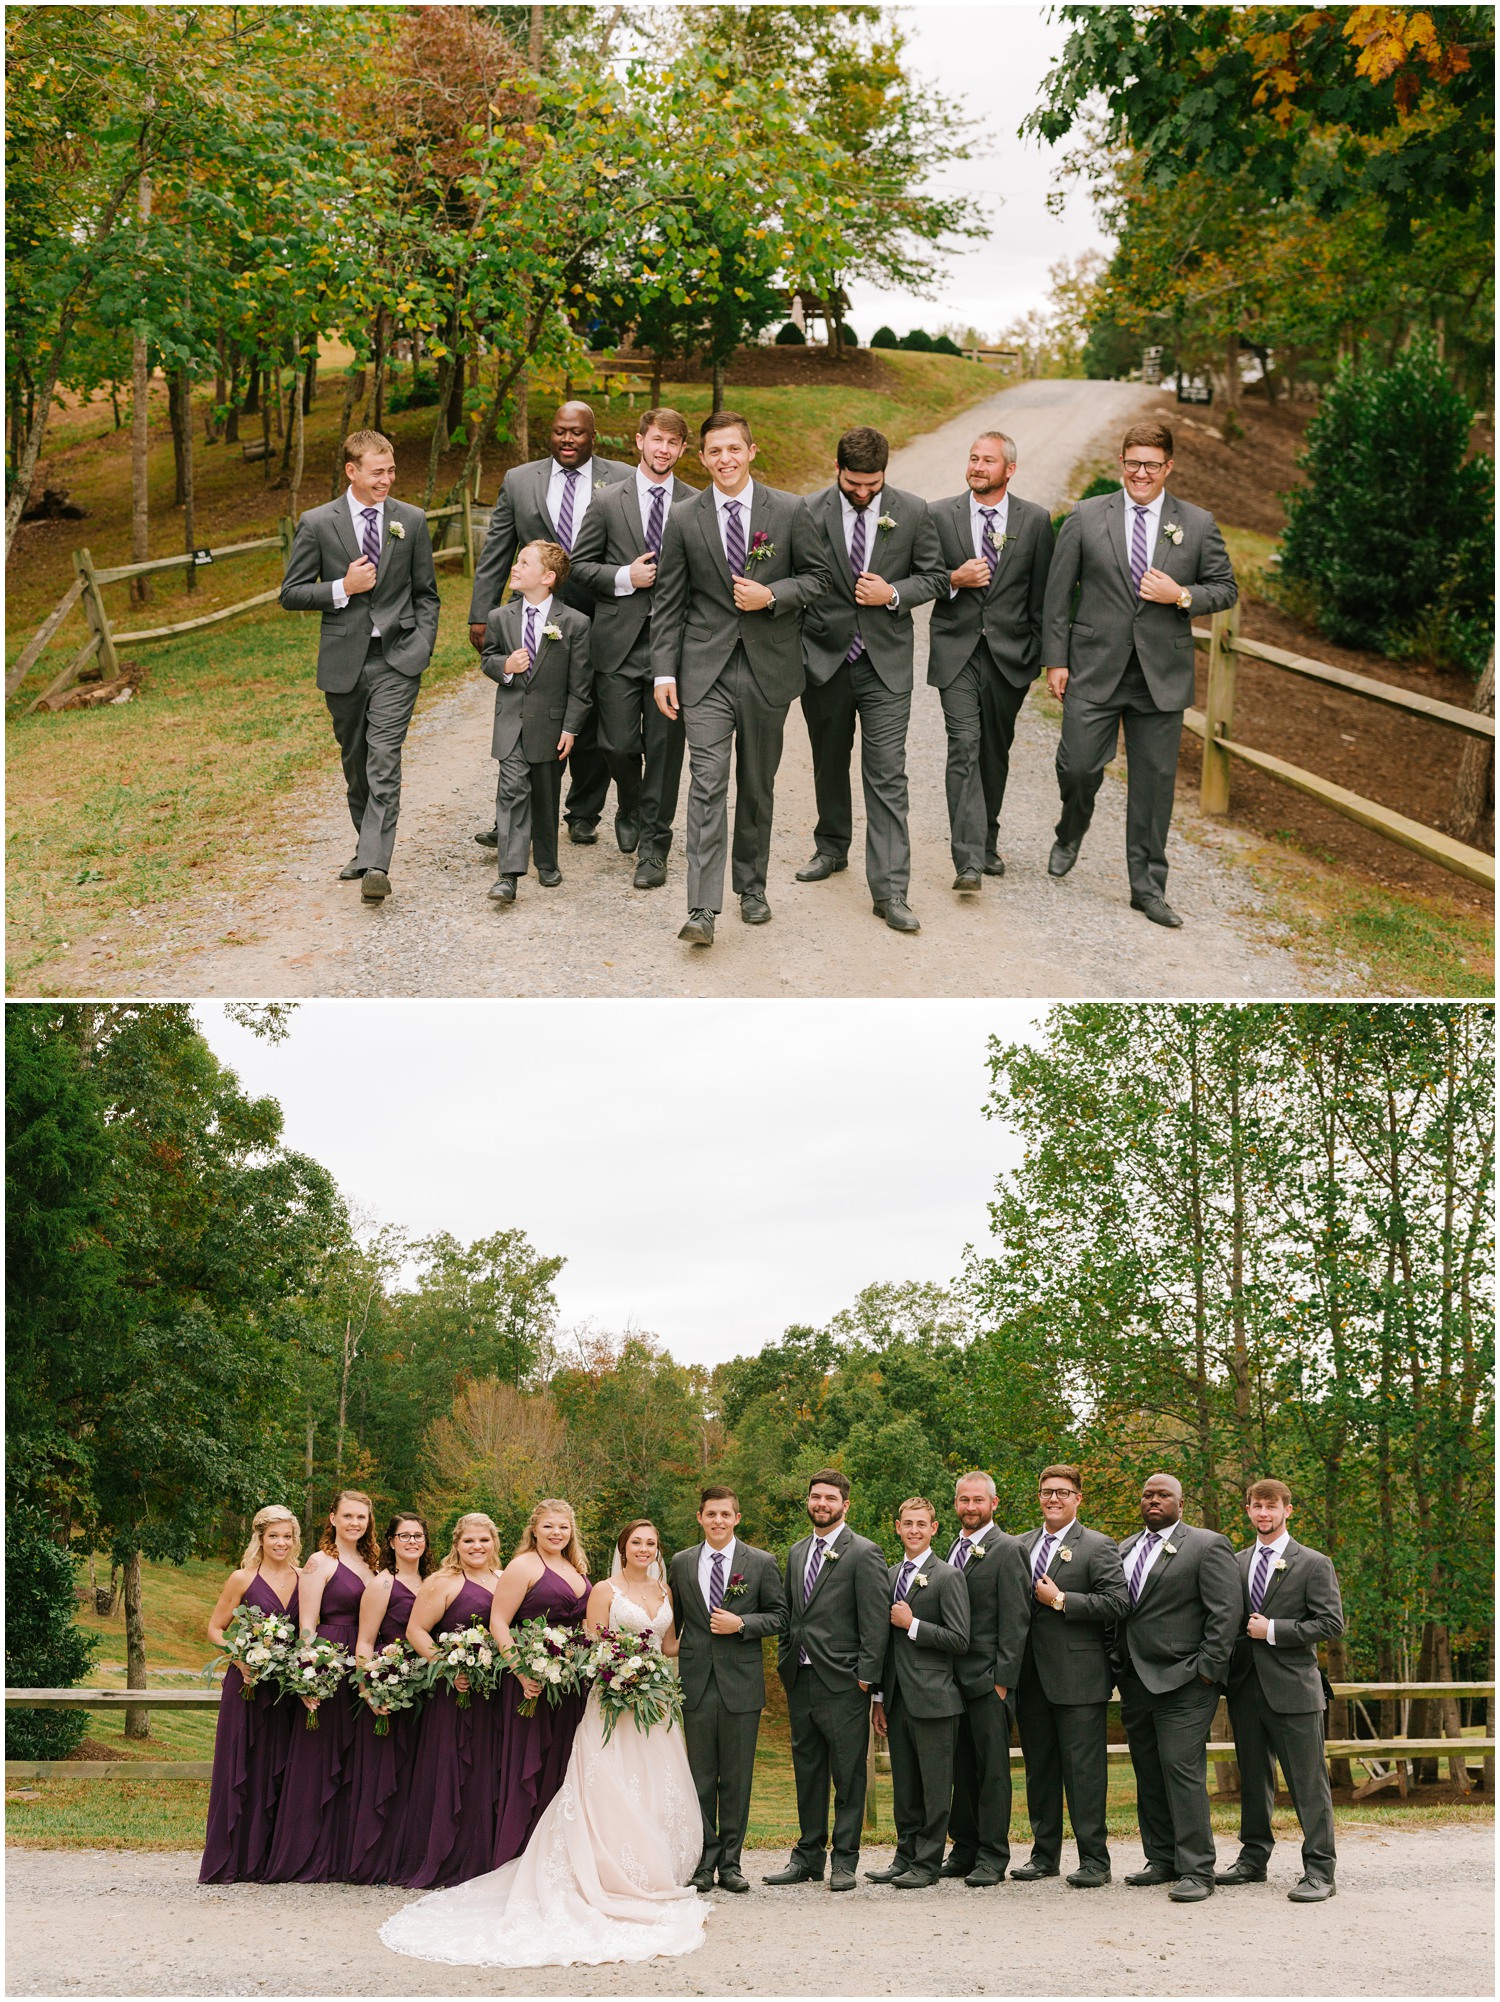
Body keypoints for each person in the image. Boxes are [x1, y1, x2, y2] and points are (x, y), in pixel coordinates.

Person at [381, 1519, 708, 1969]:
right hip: (612, 1691)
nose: (645, 1549)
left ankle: (653, 1865)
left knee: (654, 1779)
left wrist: (709, 1630)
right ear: (622, 1546)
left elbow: (669, 1645)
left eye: (652, 1543)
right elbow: (594, 1644)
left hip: (655, 1702)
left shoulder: (664, 1592)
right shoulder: (600, 1588)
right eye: (637, 1542)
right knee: (607, 1780)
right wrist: (616, 1671)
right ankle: (606, 1867)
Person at [1041, 421, 1237, 927]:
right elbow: (1058, 595)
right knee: (1079, 766)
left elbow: (1225, 588)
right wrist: (1056, 660)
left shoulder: (1196, 523)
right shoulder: (1086, 516)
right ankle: (1071, 826)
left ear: (1168, 467)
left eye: (1152, 464)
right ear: (1121, 464)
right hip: (1094, 667)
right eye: (1133, 463)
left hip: (1160, 675)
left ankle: (1147, 888)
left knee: (1154, 786)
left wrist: (1183, 596)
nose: (1141, 473)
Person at [651, 409, 830, 946]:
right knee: (706, 784)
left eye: (734, 449)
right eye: (714, 451)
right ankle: (702, 909)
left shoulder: (791, 509)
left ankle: (751, 886)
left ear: (752, 451)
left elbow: (819, 579)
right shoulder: (684, 517)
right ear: (701, 458)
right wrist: (664, 671)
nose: (724, 459)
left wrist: (772, 595)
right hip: (703, 671)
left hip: (768, 668)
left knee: (756, 783)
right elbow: (669, 602)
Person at [794, 426, 949, 934]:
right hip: (825, 659)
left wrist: (894, 593)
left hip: (885, 663)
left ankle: (891, 891)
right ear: (837, 468)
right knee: (829, 761)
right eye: (853, 484)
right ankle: (831, 847)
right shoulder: (808, 512)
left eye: (872, 485)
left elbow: (935, 576)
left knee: (886, 773)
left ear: (886, 472)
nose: (863, 494)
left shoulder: (913, 511)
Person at [279, 431, 440, 902]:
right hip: (344, 661)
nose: (387, 480)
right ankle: (365, 843)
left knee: (384, 756)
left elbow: (427, 593)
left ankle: (375, 863)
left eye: (391, 471)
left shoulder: (410, 519)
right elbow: (290, 594)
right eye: (377, 472)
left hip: (397, 659)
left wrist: (422, 645)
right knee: (356, 762)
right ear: (352, 471)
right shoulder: (316, 523)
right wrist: (342, 587)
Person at [469, 402, 632, 849]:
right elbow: (498, 549)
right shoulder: (520, 480)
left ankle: (583, 812)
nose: (567, 439)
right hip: (535, 614)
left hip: (602, 614)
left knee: (591, 710)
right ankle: (517, 815)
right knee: (533, 709)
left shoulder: (622, 477)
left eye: (577, 433)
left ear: (592, 436)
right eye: (560, 431)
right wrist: (481, 612)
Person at [569, 409, 696, 887]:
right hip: (617, 643)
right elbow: (579, 567)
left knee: (664, 751)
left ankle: (654, 847)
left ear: (683, 451)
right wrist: (625, 576)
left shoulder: (696, 503)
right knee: (616, 744)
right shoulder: (606, 502)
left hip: (675, 649)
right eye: (656, 440)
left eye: (673, 443)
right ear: (640, 441)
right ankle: (628, 799)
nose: (663, 450)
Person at [927, 432, 1054, 889]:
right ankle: (968, 860)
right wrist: (953, 579)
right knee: (963, 743)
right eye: (973, 457)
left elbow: (1045, 597)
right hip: (956, 649)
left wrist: (1048, 657)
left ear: (1009, 470)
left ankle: (987, 837)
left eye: (988, 461)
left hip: (1011, 655)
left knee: (993, 750)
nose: (978, 466)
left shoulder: (1036, 520)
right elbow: (922, 578)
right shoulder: (940, 514)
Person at [1113, 1472, 1241, 1903]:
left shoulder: (1206, 1545)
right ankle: (1162, 1858)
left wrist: (1207, 1670)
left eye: (1163, 1495)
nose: (1153, 1500)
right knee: (1149, 1772)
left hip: (1186, 1680)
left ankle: (1197, 1869)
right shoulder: (1124, 1548)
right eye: (1147, 1494)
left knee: (1181, 1771)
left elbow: (1225, 1614)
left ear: (1180, 1504)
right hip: (1135, 1681)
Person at [1220, 1478, 1344, 1903]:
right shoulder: (1234, 1563)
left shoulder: (1313, 1563)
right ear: (1248, 1510)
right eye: (1256, 1506)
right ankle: (1253, 1859)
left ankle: (1320, 1872)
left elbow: (1330, 1624)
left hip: (1294, 1690)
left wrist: (1273, 1629)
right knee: (1254, 1781)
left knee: (1309, 1784)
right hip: (1245, 1690)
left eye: (1271, 1506)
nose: (1263, 1513)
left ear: (1288, 1510)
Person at [766, 1469, 889, 1891]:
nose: (821, 1504)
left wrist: (865, 1681)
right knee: (809, 1771)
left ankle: (845, 1860)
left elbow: (875, 1623)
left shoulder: (865, 1553)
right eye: (816, 1496)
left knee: (849, 1775)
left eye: (830, 1498)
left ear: (845, 1505)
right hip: (801, 1678)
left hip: (844, 1682)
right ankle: (807, 1857)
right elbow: (790, 1614)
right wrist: (786, 1662)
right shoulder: (798, 1552)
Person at [667, 1484, 787, 1893]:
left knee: (736, 1778)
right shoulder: (681, 1563)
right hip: (696, 1683)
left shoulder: (762, 1562)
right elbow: (674, 1621)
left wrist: (743, 1625)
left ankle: (732, 1864)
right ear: (699, 1518)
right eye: (710, 1514)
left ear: (737, 1518)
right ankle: (704, 1862)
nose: (717, 1520)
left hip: (741, 1683)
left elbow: (780, 1617)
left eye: (725, 1514)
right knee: (699, 1778)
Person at [1013, 1463, 1128, 1889]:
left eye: (1062, 1492)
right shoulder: (1019, 1545)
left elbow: (1117, 1604)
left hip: (1079, 1678)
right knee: (1039, 1771)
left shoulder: (1098, 1546)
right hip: (1030, 1677)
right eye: (1046, 1491)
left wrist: (1061, 1599)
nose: (1053, 1498)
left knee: (1084, 1773)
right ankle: (1044, 1856)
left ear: (1078, 1498)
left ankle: (1095, 1861)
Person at [262, 1489, 379, 1883]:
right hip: (330, 1661)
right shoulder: (319, 1561)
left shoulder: (373, 1563)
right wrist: (309, 1673)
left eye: (361, 1517)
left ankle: (348, 1856)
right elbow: (307, 1624)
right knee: (319, 1755)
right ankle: (306, 1855)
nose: (354, 1523)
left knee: (358, 1757)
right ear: (332, 1518)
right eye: (347, 1516)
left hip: (365, 1665)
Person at [394, 1513, 506, 1888]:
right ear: (456, 1545)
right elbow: (416, 1630)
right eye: (469, 1541)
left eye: (484, 1540)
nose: (477, 1547)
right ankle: (443, 1856)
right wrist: (446, 1666)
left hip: (495, 1692)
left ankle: (483, 1857)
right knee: (451, 1768)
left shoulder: (504, 1582)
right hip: (454, 1691)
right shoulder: (442, 1582)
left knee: (488, 1770)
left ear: (494, 1543)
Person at [479, 541, 592, 907]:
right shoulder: (500, 618)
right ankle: (508, 876)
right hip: (511, 723)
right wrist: (505, 668)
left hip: (550, 724)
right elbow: (488, 659)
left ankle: (546, 860)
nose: (515, 566)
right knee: (512, 794)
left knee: (545, 795)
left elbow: (581, 686)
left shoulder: (574, 623)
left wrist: (571, 728)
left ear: (547, 577)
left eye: (524, 562)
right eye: (517, 560)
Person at [868, 1498, 970, 1888]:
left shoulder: (947, 1576)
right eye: (907, 1523)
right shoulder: (890, 1574)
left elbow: (960, 1639)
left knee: (933, 1787)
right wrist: (879, 1698)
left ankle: (927, 1864)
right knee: (905, 1786)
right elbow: (882, 1644)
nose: (914, 1530)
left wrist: (913, 1625)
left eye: (921, 1524)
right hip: (896, 1699)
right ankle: (904, 1857)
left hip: (935, 1698)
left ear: (934, 1528)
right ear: (897, 1527)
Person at [199, 1505, 302, 1884]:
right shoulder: (242, 1578)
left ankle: (271, 1859)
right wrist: (239, 1659)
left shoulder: (303, 1578)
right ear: (260, 1538)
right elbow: (214, 1627)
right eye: (273, 1535)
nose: (281, 1542)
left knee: (280, 1767)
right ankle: (233, 1859)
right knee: (243, 1764)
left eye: (287, 1536)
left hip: (286, 1690)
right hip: (247, 1685)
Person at [940, 1471, 1032, 1886]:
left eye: (978, 1500)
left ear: (994, 1504)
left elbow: (1017, 1619)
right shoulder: (951, 1549)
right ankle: (964, 1846)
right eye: (963, 1500)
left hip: (988, 1678)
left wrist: (1003, 1681)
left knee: (992, 1770)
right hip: (949, 1681)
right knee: (961, 1767)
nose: (970, 1508)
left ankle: (993, 1854)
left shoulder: (1008, 1549)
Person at [490, 1499, 592, 1867]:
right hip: (530, 1682)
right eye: (549, 1526)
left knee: (564, 1762)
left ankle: (558, 1853)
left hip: (570, 1684)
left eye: (563, 1527)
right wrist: (521, 1670)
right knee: (530, 1762)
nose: (556, 1533)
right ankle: (520, 1852)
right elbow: (499, 1622)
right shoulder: (522, 1566)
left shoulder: (576, 1567)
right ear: (534, 1529)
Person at [345, 1512, 431, 1886]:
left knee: (418, 1773)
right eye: (404, 1536)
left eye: (418, 1535)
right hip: (391, 1685)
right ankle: (376, 1859)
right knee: (386, 1772)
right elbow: (364, 1641)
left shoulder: (433, 1581)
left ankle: (411, 1856)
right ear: (392, 1542)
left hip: (429, 1688)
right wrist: (368, 1688)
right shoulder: (383, 1584)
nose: (412, 1542)